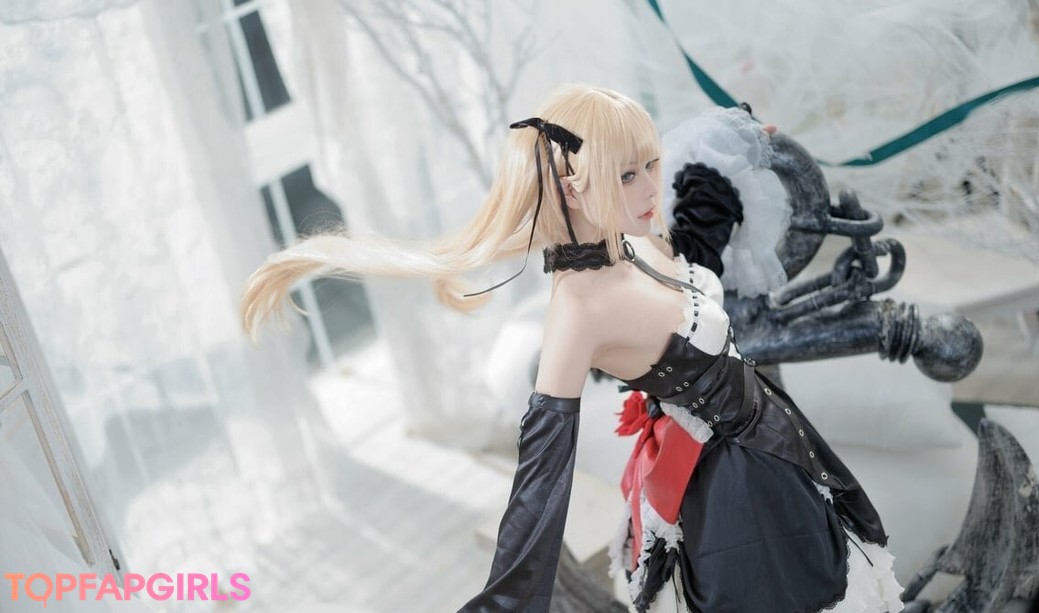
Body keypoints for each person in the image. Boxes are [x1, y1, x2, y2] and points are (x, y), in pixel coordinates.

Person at [239, 84, 905, 613]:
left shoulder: (631, 237)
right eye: (628, 174)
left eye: (651, 164)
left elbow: (690, 263)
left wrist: (737, 157)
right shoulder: (578, 311)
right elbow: (539, 477)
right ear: (570, 185)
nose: (650, 187)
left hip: (769, 445)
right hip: (738, 496)